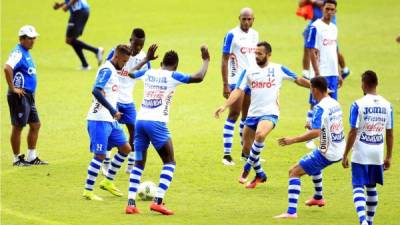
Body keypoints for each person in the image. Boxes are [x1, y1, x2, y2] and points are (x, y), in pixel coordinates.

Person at [124, 46, 210, 215]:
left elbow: (130, 73)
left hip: (140, 123)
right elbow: (199, 77)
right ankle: (158, 201)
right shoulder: (173, 76)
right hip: (156, 125)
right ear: (176, 66)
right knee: (169, 162)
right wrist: (206, 60)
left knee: (139, 163)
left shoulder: (148, 73)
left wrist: (146, 59)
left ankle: (130, 203)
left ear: (161, 62)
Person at [215, 42, 310, 188]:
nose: (256, 56)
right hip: (253, 115)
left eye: (260, 53)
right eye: (255, 53)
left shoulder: (278, 69)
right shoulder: (248, 71)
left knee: (260, 135)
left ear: (268, 55)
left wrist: (317, 87)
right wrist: (225, 105)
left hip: (270, 113)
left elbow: (298, 80)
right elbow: (238, 91)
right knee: (246, 149)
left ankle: (246, 170)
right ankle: (260, 174)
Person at [82, 44, 157, 201]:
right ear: (116, 57)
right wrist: (112, 110)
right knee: (100, 155)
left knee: (126, 148)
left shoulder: (114, 70)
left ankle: (108, 181)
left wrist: (146, 60)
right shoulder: (107, 69)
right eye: (123, 61)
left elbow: (129, 73)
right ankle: (88, 191)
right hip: (99, 119)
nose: (124, 65)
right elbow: (96, 90)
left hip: (110, 120)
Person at [274, 76, 345, 219]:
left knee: (294, 172)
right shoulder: (334, 103)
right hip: (339, 148)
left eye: (311, 89)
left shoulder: (320, 107)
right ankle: (318, 197)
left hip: (328, 152)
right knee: (313, 162)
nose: (311, 92)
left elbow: (317, 132)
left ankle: (291, 212)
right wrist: (313, 126)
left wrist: (292, 140)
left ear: (315, 89)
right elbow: (326, 126)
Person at [342, 70, 393, 225]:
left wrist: (345, 154)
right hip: (377, 152)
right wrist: (389, 156)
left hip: (361, 152)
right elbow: (390, 133)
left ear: (363, 85)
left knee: (358, 185)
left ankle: (363, 220)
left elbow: (353, 131)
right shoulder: (387, 105)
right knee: (371, 187)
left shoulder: (358, 104)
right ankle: (370, 221)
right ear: (376, 84)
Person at [101, 28, 151, 175]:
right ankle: (106, 162)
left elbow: (147, 79)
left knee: (135, 131)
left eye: (141, 45)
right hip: (113, 98)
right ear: (130, 40)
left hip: (128, 101)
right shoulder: (117, 52)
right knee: (110, 130)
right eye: (136, 44)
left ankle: (131, 163)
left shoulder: (143, 59)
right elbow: (105, 69)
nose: (138, 48)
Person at [303, 0, 344, 149]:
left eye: (332, 10)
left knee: (332, 105)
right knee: (315, 105)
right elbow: (311, 50)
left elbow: (335, 51)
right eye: (327, 9)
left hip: (333, 73)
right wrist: (317, 73)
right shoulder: (315, 27)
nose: (329, 12)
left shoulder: (334, 28)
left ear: (335, 11)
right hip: (321, 73)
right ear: (322, 9)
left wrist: (339, 72)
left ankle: (330, 138)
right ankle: (309, 137)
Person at [4, 25, 48, 166]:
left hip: (28, 96)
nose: (32, 41)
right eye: (29, 38)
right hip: (19, 96)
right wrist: (13, 88)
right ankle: (17, 158)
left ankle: (31, 157)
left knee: (35, 124)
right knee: (18, 127)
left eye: (34, 38)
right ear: (21, 39)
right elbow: (7, 68)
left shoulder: (25, 52)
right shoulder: (18, 53)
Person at [221, 7, 259, 166]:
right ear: (239, 18)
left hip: (251, 80)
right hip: (236, 81)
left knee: (247, 116)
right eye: (244, 19)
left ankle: (245, 153)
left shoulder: (255, 34)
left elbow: (256, 58)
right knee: (234, 114)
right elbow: (224, 59)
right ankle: (227, 155)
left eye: (249, 19)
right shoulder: (232, 34)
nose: (247, 22)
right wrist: (225, 84)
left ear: (253, 19)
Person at [53, 0, 103, 70]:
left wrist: (68, 6)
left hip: (79, 11)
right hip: (79, 11)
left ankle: (96, 51)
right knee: (71, 40)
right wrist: (61, 5)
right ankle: (85, 64)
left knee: (69, 39)